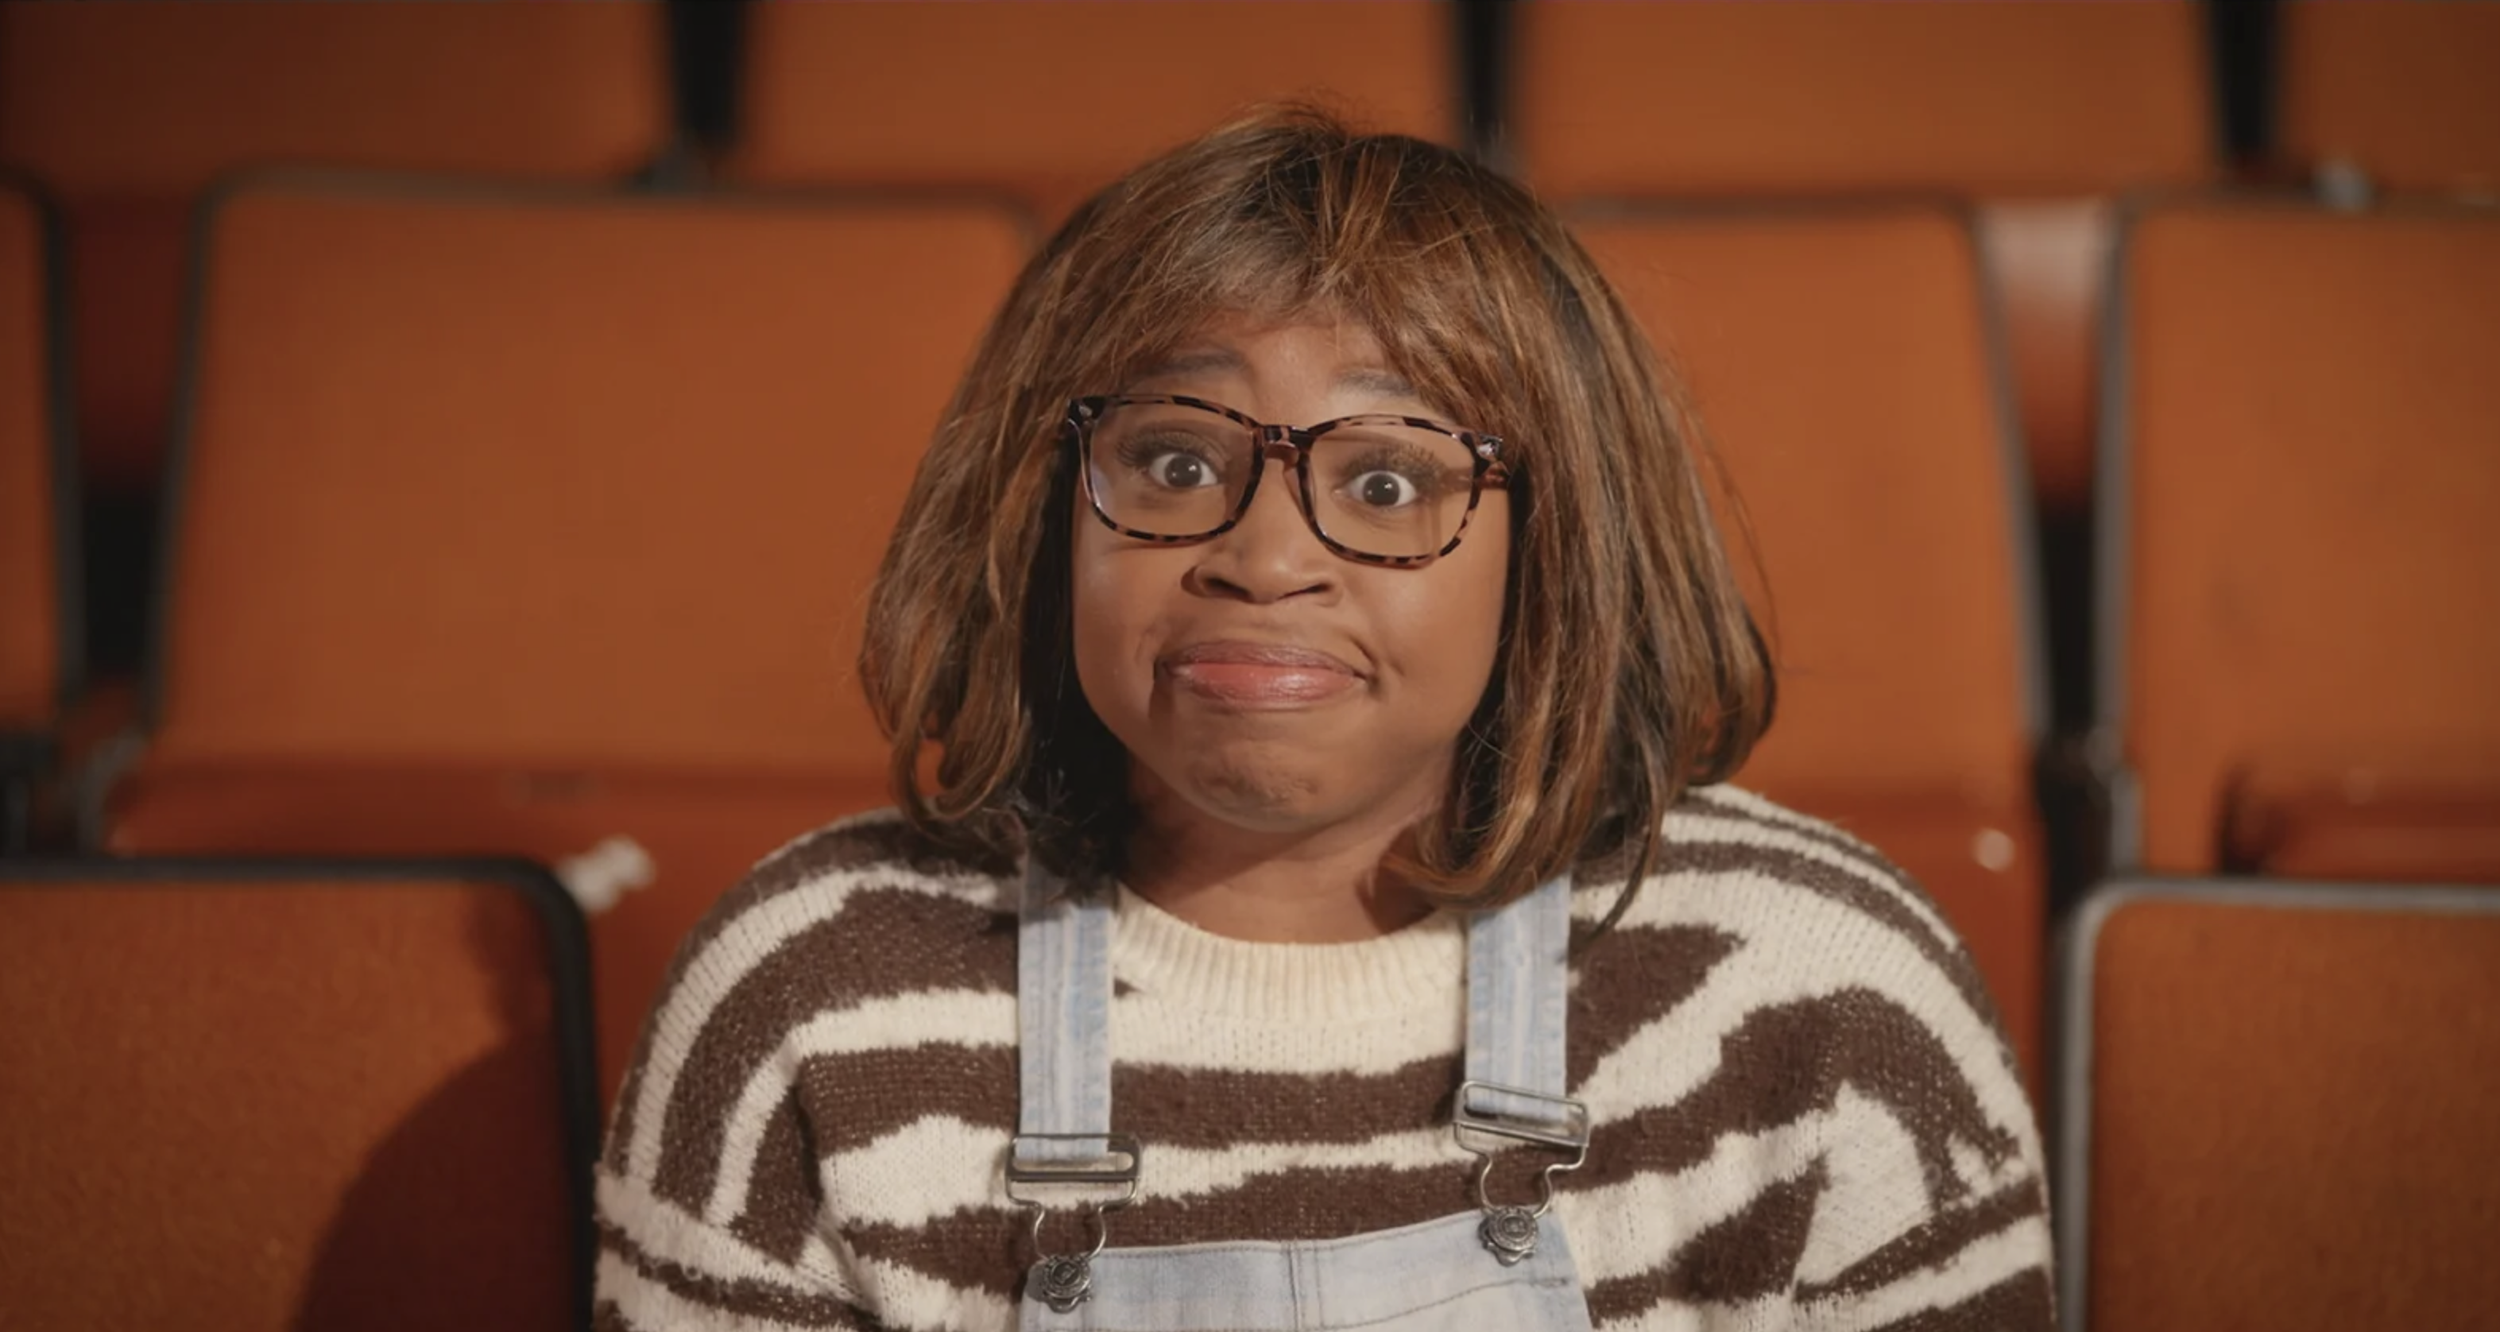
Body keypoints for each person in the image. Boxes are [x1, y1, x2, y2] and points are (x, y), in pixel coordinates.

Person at [592, 109, 2053, 1331]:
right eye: (1176, 460)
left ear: (1555, 548)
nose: (1266, 556)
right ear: (1044, 518)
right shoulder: (803, 999)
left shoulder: (1824, 993)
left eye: (1386, 481)